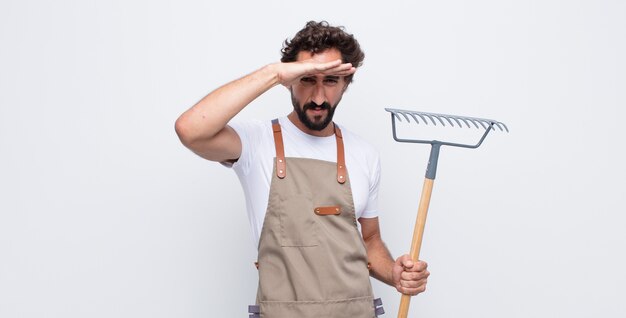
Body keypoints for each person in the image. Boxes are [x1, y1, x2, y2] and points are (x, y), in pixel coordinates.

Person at [175, 21, 429, 317]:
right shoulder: (256, 142)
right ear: (289, 80)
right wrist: (275, 73)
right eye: (307, 79)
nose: (319, 97)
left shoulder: (364, 154)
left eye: (331, 81)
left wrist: (395, 273)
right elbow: (190, 129)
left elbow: (369, 240)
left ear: (346, 83)